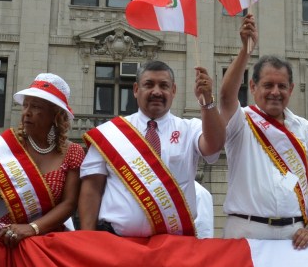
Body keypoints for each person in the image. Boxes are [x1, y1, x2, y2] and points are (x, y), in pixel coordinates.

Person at [219, 16, 308, 249]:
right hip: (246, 232)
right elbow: (225, 96)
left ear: (291, 89)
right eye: (268, 85)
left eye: (282, 86)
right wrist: (246, 50)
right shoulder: (241, 120)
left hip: (294, 236)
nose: (275, 92)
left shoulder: (305, 129)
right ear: (253, 87)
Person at [78, 61, 224, 237]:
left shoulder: (190, 128)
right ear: (136, 89)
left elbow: (214, 145)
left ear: (174, 91)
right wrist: (87, 238)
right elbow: (91, 188)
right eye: (149, 84)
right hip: (117, 244)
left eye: (164, 85)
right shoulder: (110, 133)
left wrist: (207, 101)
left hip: (174, 244)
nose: (156, 91)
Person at [0, 74, 84, 246]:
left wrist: (31, 228)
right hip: (0, 239)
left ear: (55, 113)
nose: (27, 112)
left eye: (35, 106)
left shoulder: (73, 152)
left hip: (46, 243)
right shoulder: (7, 147)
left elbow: (69, 203)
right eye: (25, 105)